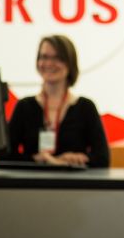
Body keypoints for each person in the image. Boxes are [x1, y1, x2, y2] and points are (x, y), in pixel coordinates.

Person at [7, 35, 109, 168]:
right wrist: (37, 160)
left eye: (57, 58)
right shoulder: (24, 106)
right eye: (44, 57)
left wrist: (74, 159)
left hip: (74, 186)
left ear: (70, 63)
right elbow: (6, 156)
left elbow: (103, 158)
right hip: (32, 185)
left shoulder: (86, 108)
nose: (49, 63)